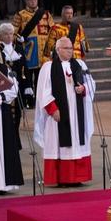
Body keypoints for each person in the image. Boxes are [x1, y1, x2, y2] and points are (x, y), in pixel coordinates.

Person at [33, 37, 94, 187]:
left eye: (71, 48)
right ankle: (62, 178)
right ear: (58, 49)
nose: (70, 51)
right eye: (66, 48)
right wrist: (52, 109)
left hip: (76, 112)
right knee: (59, 145)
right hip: (58, 115)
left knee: (77, 143)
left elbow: (91, 83)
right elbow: (43, 92)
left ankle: (77, 177)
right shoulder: (48, 67)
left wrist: (84, 88)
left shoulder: (79, 64)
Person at [0, 37, 23, 194]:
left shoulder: (4, 68)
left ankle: (3, 183)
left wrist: (0, 97)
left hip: (1, 113)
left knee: (3, 146)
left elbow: (13, 88)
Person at [12, 0, 54, 107]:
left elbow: (53, 31)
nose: (33, 1)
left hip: (43, 52)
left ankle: (41, 101)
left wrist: (52, 47)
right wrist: (18, 40)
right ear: (26, 1)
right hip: (28, 51)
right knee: (28, 79)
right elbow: (13, 33)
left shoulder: (45, 14)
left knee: (42, 79)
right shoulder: (20, 15)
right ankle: (29, 102)